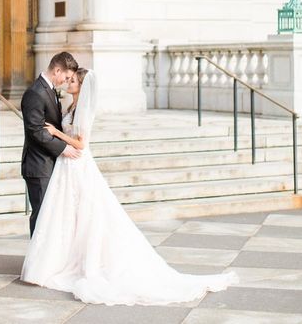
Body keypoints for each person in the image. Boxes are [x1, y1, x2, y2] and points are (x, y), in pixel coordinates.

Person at [21, 68, 238, 305]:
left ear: (82, 86)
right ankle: (62, 257)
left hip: (77, 162)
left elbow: (82, 143)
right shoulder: (71, 106)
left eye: (73, 81)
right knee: (67, 214)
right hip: (66, 165)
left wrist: (56, 134)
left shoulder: (83, 108)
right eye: (69, 79)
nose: (68, 83)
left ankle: (82, 261)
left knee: (86, 214)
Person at [21, 51, 81, 237]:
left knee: (50, 216)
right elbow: (36, 131)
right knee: (41, 217)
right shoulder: (35, 93)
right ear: (57, 70)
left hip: (49, 164)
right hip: (38, 166)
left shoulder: (49, 90)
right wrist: (64, 148)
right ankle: (36, 263)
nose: (65, 81)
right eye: (66, 76)